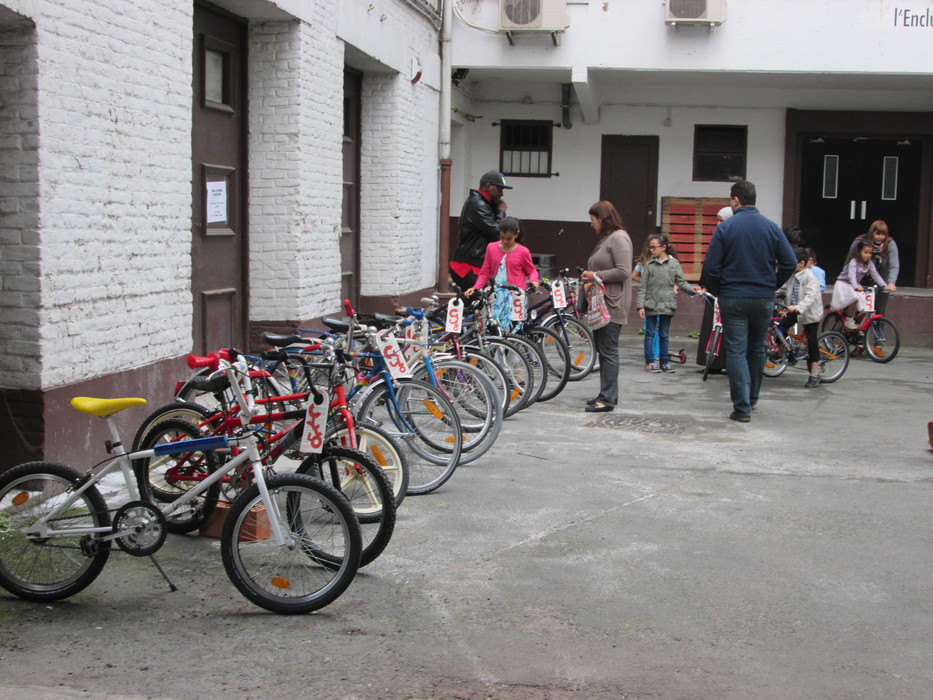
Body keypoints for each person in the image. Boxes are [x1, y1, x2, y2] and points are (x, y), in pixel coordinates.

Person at [700, 181, 797, 423]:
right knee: (756, 348)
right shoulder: (772, 228)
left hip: (733, 296)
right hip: (763, 297)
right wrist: (772, 284)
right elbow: (790, 262)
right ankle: (752, 397)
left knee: (735, 350)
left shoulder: (726, 228)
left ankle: (742, 407)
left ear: (735, 200)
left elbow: (711, 266)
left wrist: (718, 289)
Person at [581, 201, 632, 413]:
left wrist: (596, 275)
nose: (591, 224)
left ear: (601, 218)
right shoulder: (606, 239)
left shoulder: (618, 238)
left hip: (612, 303)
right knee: (603, 349)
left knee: (609, 350)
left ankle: (608, 399)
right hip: (601, 303)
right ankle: (606, 393)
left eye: (593, 219)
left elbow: (624, 271)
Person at [637, 234, 701, 373]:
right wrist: (640, 305)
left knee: (664, 334)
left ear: (664, 247)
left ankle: (664, 362)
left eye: (654, 247)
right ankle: (650, 362)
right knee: (649, 334)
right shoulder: (648, 265)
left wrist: (693, 290)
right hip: (651, 304)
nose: (651, 250)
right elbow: (642, 287)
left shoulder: (674, 264)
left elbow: (682, 283)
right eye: (650, 247)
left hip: (667, 304)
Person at [465, 217, 539, 330]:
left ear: (516, 234)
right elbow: (485, 272)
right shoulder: (491, 247)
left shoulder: (523, 251)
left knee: (515, 330)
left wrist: (534, 280)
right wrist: (475, 287)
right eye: (502, 237)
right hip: (495, 296)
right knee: (493, 329)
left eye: (509, 239)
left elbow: (531, 270)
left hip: (516, 297)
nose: (505, 241)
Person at [449, 171, 511, 291]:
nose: (501, 194)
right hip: (468, 266)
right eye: (499, 189)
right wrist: (501, 211)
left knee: (477, 304)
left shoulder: (482, 203)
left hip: (474, 263)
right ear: (488, 186)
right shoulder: (479, 205)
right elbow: (496, 233)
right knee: (479, 303)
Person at [777, 248, 824, 388]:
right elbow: (782, 288)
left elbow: (811, 296)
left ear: (802, 263)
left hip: (809, 313)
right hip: (795, 310)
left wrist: (798, 307)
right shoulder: (792, 275)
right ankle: (780, 352)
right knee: (780, 327)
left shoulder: (809, 277)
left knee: (811, 341)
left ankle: (815, 373)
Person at [695, 206, 733, 371]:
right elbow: (709, 262)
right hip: (713, 290)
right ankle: (711, 362)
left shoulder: (732, 239)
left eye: (721, 220)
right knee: (711, 325)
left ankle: (724, 363)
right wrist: (704, 284)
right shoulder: (719, 237)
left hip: (727, 289)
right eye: (717, 220)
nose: (718, 224)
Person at [830, 240, 887, 327]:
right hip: (844, 284)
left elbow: (876, 275)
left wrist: (884, 286)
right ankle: (849, 319)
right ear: (859, 252)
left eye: (870, 253)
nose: (868, 255)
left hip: (855, 285)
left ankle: (858, 324)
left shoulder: (869, 263)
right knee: (855, 297)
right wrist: (855, 286)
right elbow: (851, 275)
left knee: (868, 305)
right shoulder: (854, 261)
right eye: (866, 252)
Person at [847, 220, 898, 315]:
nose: (880, 237)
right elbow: (849, 260)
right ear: (872, 233)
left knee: (879, 310)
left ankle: (878, 329)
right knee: (861, 308)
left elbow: (894, 265)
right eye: (878, 234)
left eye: (883, 235)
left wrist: (891, 283)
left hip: (881, 279)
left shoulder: (890, 244)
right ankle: (851, 323)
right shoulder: (861, 241)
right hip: (861, 278)